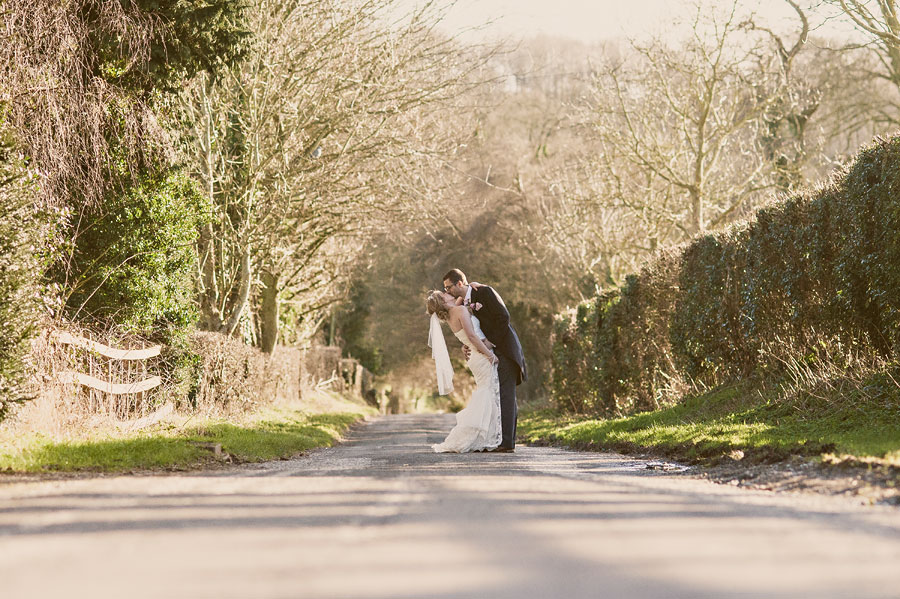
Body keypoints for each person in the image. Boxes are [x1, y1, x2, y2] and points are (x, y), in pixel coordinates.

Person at [442, 269, 526, 452]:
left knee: (505, 396)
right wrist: (467, 344)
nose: (447, 291)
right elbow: (471, 330)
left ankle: (506, 443)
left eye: (449, 287)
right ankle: (505, 441)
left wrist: (490, 342)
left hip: (505, 348)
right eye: (445, 288)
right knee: (502, 395)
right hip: (492, 351)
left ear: (460, 284)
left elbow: (503, 318)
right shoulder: (464, 302)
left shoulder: (485, 292)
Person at [426, 290, 502, 453]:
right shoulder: (459, 310)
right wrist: (489, 355)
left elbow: (463, 295)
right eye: (444, 294)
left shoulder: (451, 315)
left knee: (486, 391)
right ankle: (484, 435)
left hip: (474, 356)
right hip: (480, 355)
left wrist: (473, 285)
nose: (448, 292)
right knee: (487, 392)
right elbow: (472, 337)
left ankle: (486, 433)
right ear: (443, 302)